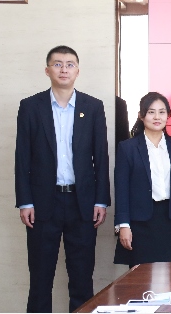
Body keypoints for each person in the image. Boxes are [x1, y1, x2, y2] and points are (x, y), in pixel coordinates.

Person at [15, 45, 110, 312]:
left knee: (82, 279)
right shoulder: (31, 107)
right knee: (40, 279)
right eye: (57, 64)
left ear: (78, 71)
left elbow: (101, 157)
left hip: (82, 203)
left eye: (70, 64)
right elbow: (22, 157)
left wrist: (101, 201)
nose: (64, 69)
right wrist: (25, 202)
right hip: (43, 203)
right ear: (47, 70)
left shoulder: (93, 107)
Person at [113, 92, 171, 266]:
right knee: (141, 276)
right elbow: (121, 189)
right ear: (141, 115)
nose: (157, 117)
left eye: (162, 112)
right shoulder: (127, 148)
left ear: (168, 115)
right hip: (140, 224)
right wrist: (123, 225)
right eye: (151, 112)